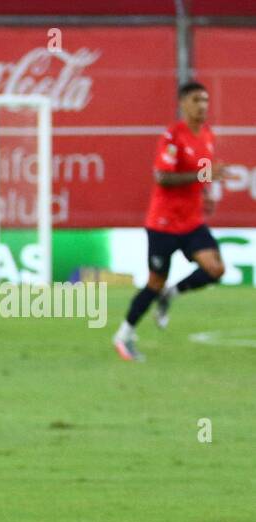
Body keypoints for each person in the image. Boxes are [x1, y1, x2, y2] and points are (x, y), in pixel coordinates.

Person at [114, 81, 226, 362]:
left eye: (205, 101)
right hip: (163, 223)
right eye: (196, 100)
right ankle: (124, 335)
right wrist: (203, 178)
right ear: (182, 104)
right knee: (153, 282)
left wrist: (206, 193)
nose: (202, 106)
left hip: (191, 221)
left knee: (215, 268)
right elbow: (162, 177)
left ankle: (171, 295)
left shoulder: (208, 135)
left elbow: (203, 174)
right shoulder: (172, 137)